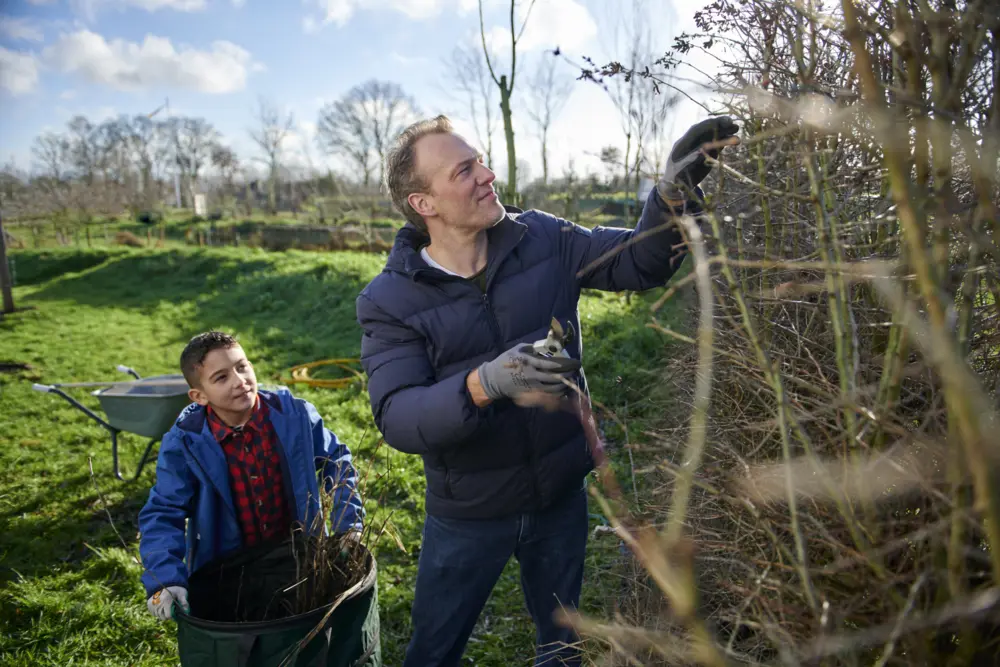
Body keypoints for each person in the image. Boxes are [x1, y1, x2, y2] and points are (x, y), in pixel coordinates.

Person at [356, 114, 739, 666]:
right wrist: (483, 383)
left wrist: (672, 195)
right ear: (425, 204)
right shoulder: (389, 300)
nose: (488, 175)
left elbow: (638, 261)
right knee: (433, 653)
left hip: (559, 497)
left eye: (480, 159)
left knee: (561, 645)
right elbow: (397, 416)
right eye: (465, 170)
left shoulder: (543, 238)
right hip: (469, 510)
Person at [138, 331, 364, 621]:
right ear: (199, 396)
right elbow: (163, 511)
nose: (239, 381)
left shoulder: (294, 416)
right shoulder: (185, 444)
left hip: (300, 560)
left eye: (242, 366)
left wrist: (348, 525)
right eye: (221, 378)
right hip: (230, 573)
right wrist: (165, 580)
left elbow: (337, 460)